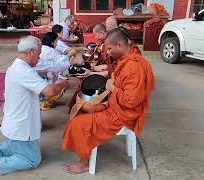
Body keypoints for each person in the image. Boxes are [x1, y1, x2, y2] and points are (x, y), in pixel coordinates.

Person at [61, 29, 155, 174]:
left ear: (119, 45)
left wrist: (112, 87)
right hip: (116, 105)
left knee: (78, 124)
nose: (108, 53)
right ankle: (85, 150)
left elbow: (130, 101)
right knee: (78, 111)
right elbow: (115, 75)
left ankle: (84, 162)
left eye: (110, 49)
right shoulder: (125, 60)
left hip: (125, 114)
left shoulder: (134, 66)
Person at [0, 36, 68, 175]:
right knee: (32, 159)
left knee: (15, 147)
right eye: (39, 53)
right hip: (21, 127)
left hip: (13, 125)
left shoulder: (15, 67)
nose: (40, 57)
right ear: (30, 52)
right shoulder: (24, 71)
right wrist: (62, 82)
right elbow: (49, 91)